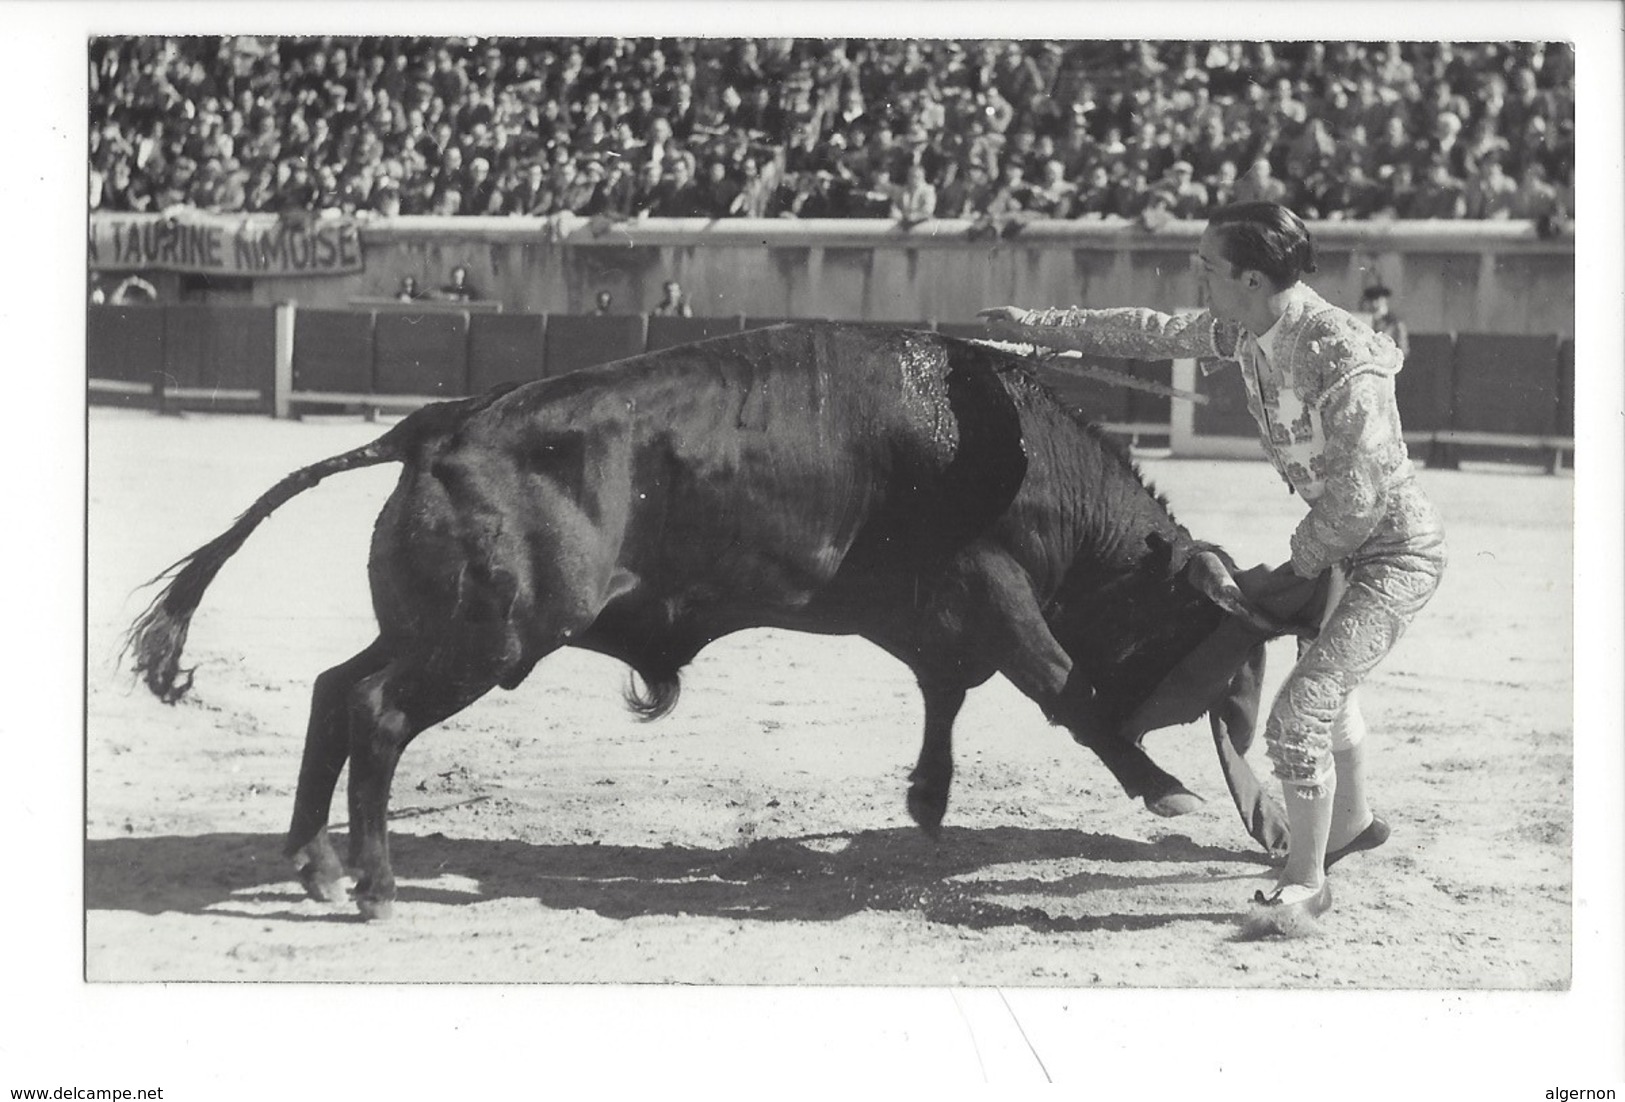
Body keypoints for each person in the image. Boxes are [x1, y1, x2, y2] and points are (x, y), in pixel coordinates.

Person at [977, 201, 1447, 937]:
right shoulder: (1248, 328)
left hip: (1390, 553)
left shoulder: (1340, 352)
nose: (1196, 280)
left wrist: (1292, 570)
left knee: (1302, 711)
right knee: (1328, 683)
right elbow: (1150, 330)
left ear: (1253, 279)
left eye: (1207, 269)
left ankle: (1306, 883)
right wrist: (1037, 326)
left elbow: (1359, 500)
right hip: (1338, 546)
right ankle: (1349, 824)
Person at [1357, 284, 1409, 359]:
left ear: (1385, 300)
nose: (1374, 303)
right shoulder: (1364, 320)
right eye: (1371, 300)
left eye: (1377, 299)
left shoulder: (1394, 322)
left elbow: (1403, 350)